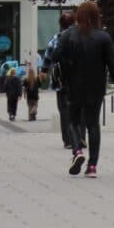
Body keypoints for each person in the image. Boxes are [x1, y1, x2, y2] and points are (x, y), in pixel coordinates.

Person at [52, 1, 114, 179]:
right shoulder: (103, 37)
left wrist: (67, 60)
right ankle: (92, 166)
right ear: (96, 16)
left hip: (73, 86)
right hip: (96, 87)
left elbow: (55, 56)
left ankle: (77, 151)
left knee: (73, 120)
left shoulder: (68, 34)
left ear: (78, 15)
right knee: (93, 124)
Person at [43, 11, 86, 149]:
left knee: (64, 110)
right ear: (74, 22)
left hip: (61, 81)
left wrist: (44, 71)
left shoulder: (56, 38)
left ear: (60, 24)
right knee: (80, 109)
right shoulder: (82, 37)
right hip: (80, 80)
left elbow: (48, 57)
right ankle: (81, 138)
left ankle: (68, 140)